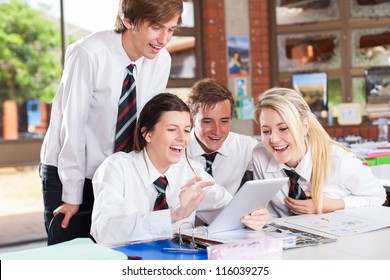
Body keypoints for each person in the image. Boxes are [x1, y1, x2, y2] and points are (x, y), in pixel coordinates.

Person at [40, 0, 184, 240]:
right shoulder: (88, 54)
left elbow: (148, 123)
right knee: (73, 256)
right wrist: (72, 195)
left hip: (117, 173)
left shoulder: (161, 61)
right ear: (129, 21)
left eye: (171, 29)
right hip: (70, 169)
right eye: (156, 27)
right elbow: (71, 128)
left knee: (117, 247)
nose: (164, 39)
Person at [90, 93, 268, 247]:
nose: (182, 139)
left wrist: (252, 217)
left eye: (186, 130)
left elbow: (229, 210)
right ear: (147, 133)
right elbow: (104, 231)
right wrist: (173, 216)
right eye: (172, 130)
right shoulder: (116, 168)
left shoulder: (190, 171)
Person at [252, 87, 386, 218]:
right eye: (266, 131)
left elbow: (378, 196)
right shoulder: (260, 155)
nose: (273, 139)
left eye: (283, 128)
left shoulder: (339, 160)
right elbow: (266, 211)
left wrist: (334, 205)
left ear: (305, 126)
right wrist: (259, 219)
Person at [186, 78, 259, 195]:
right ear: (191, 120)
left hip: (232, 212)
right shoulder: (176, 152)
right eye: (208, 122)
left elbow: (277, 168)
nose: (217, 131)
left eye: (224, 121)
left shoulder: (245, 146)